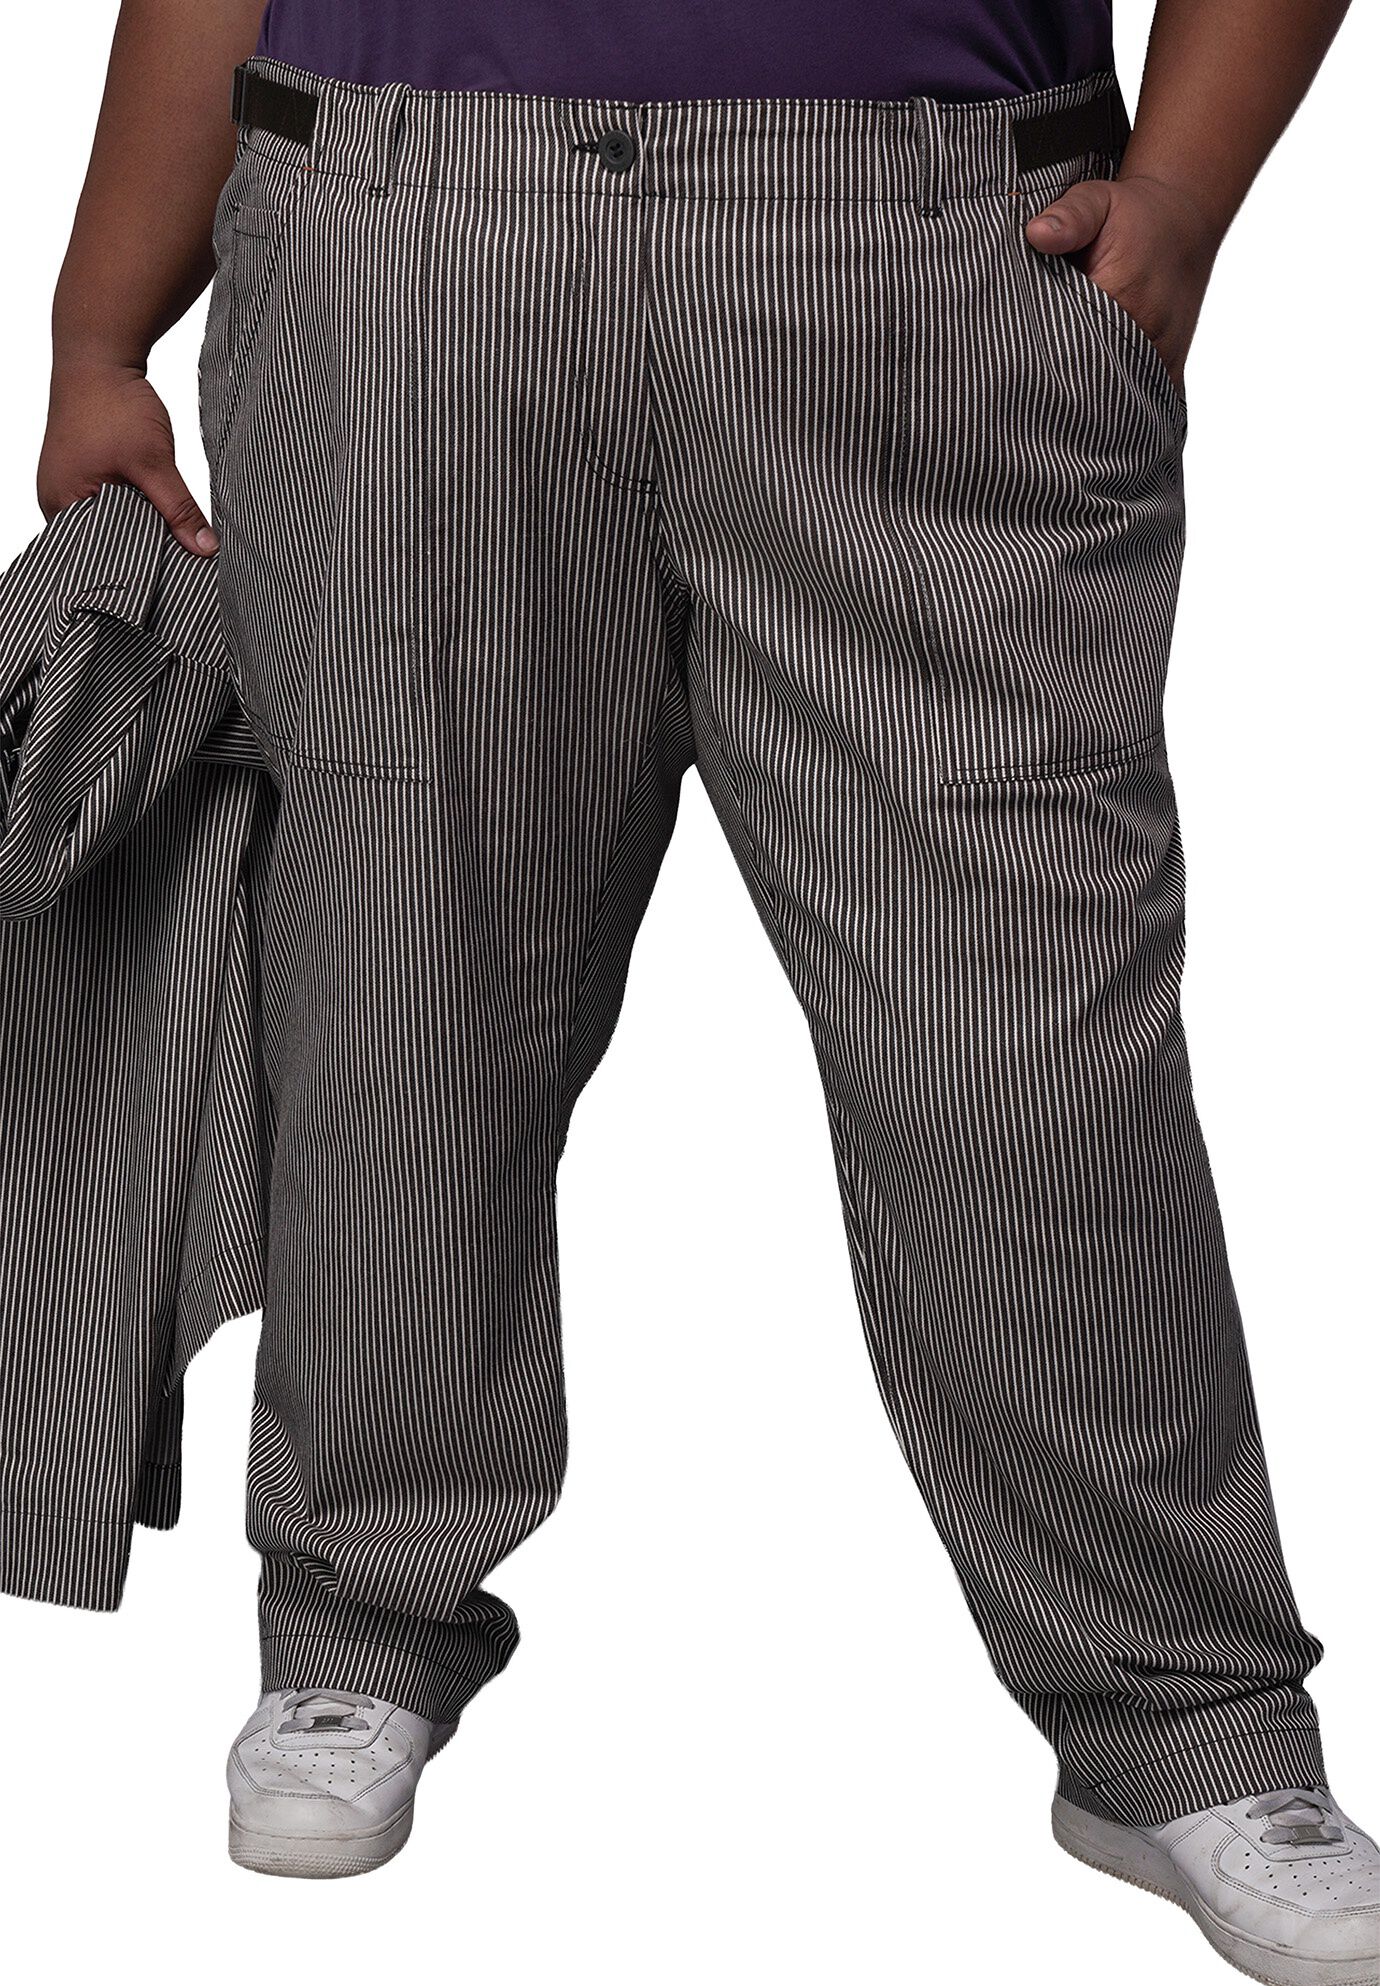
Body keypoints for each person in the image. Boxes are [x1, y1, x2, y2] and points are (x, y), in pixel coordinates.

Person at [31, 0, 1376, 1973]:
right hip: (411, 243)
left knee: (1023, 1030)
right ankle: (354, 1621)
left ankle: (1184, 1715)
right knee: (398, 975)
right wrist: (98, 331)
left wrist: (1181, 189)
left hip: (930, 258)